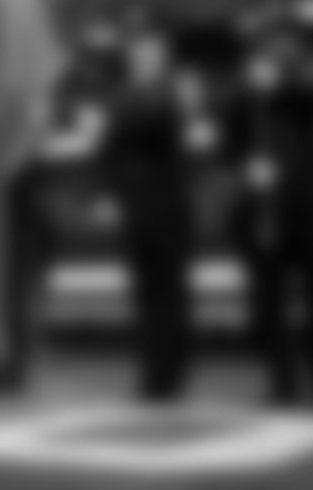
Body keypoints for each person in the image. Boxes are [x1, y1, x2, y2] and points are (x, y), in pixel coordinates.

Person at [234, 36, 313, 408]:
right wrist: (248, 170)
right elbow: (231, 140)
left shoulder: (304, 91)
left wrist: (277, 86)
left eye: (281, 58)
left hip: (308, 206)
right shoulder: (248, 101)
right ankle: (283, 380)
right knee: (270, 298)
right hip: (267, 208)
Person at [97, 33, 199, 403]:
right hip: (137, 206)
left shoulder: (172, 94)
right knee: (145, 294)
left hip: (168, 205)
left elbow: (156, 125)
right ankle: (152, 372)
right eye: (139, 56)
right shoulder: (124, 97)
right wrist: (110, 191)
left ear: (163, 59)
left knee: (171, 293)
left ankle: (173, 373)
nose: (144, 62)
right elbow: (106, 150)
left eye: (151, 56)